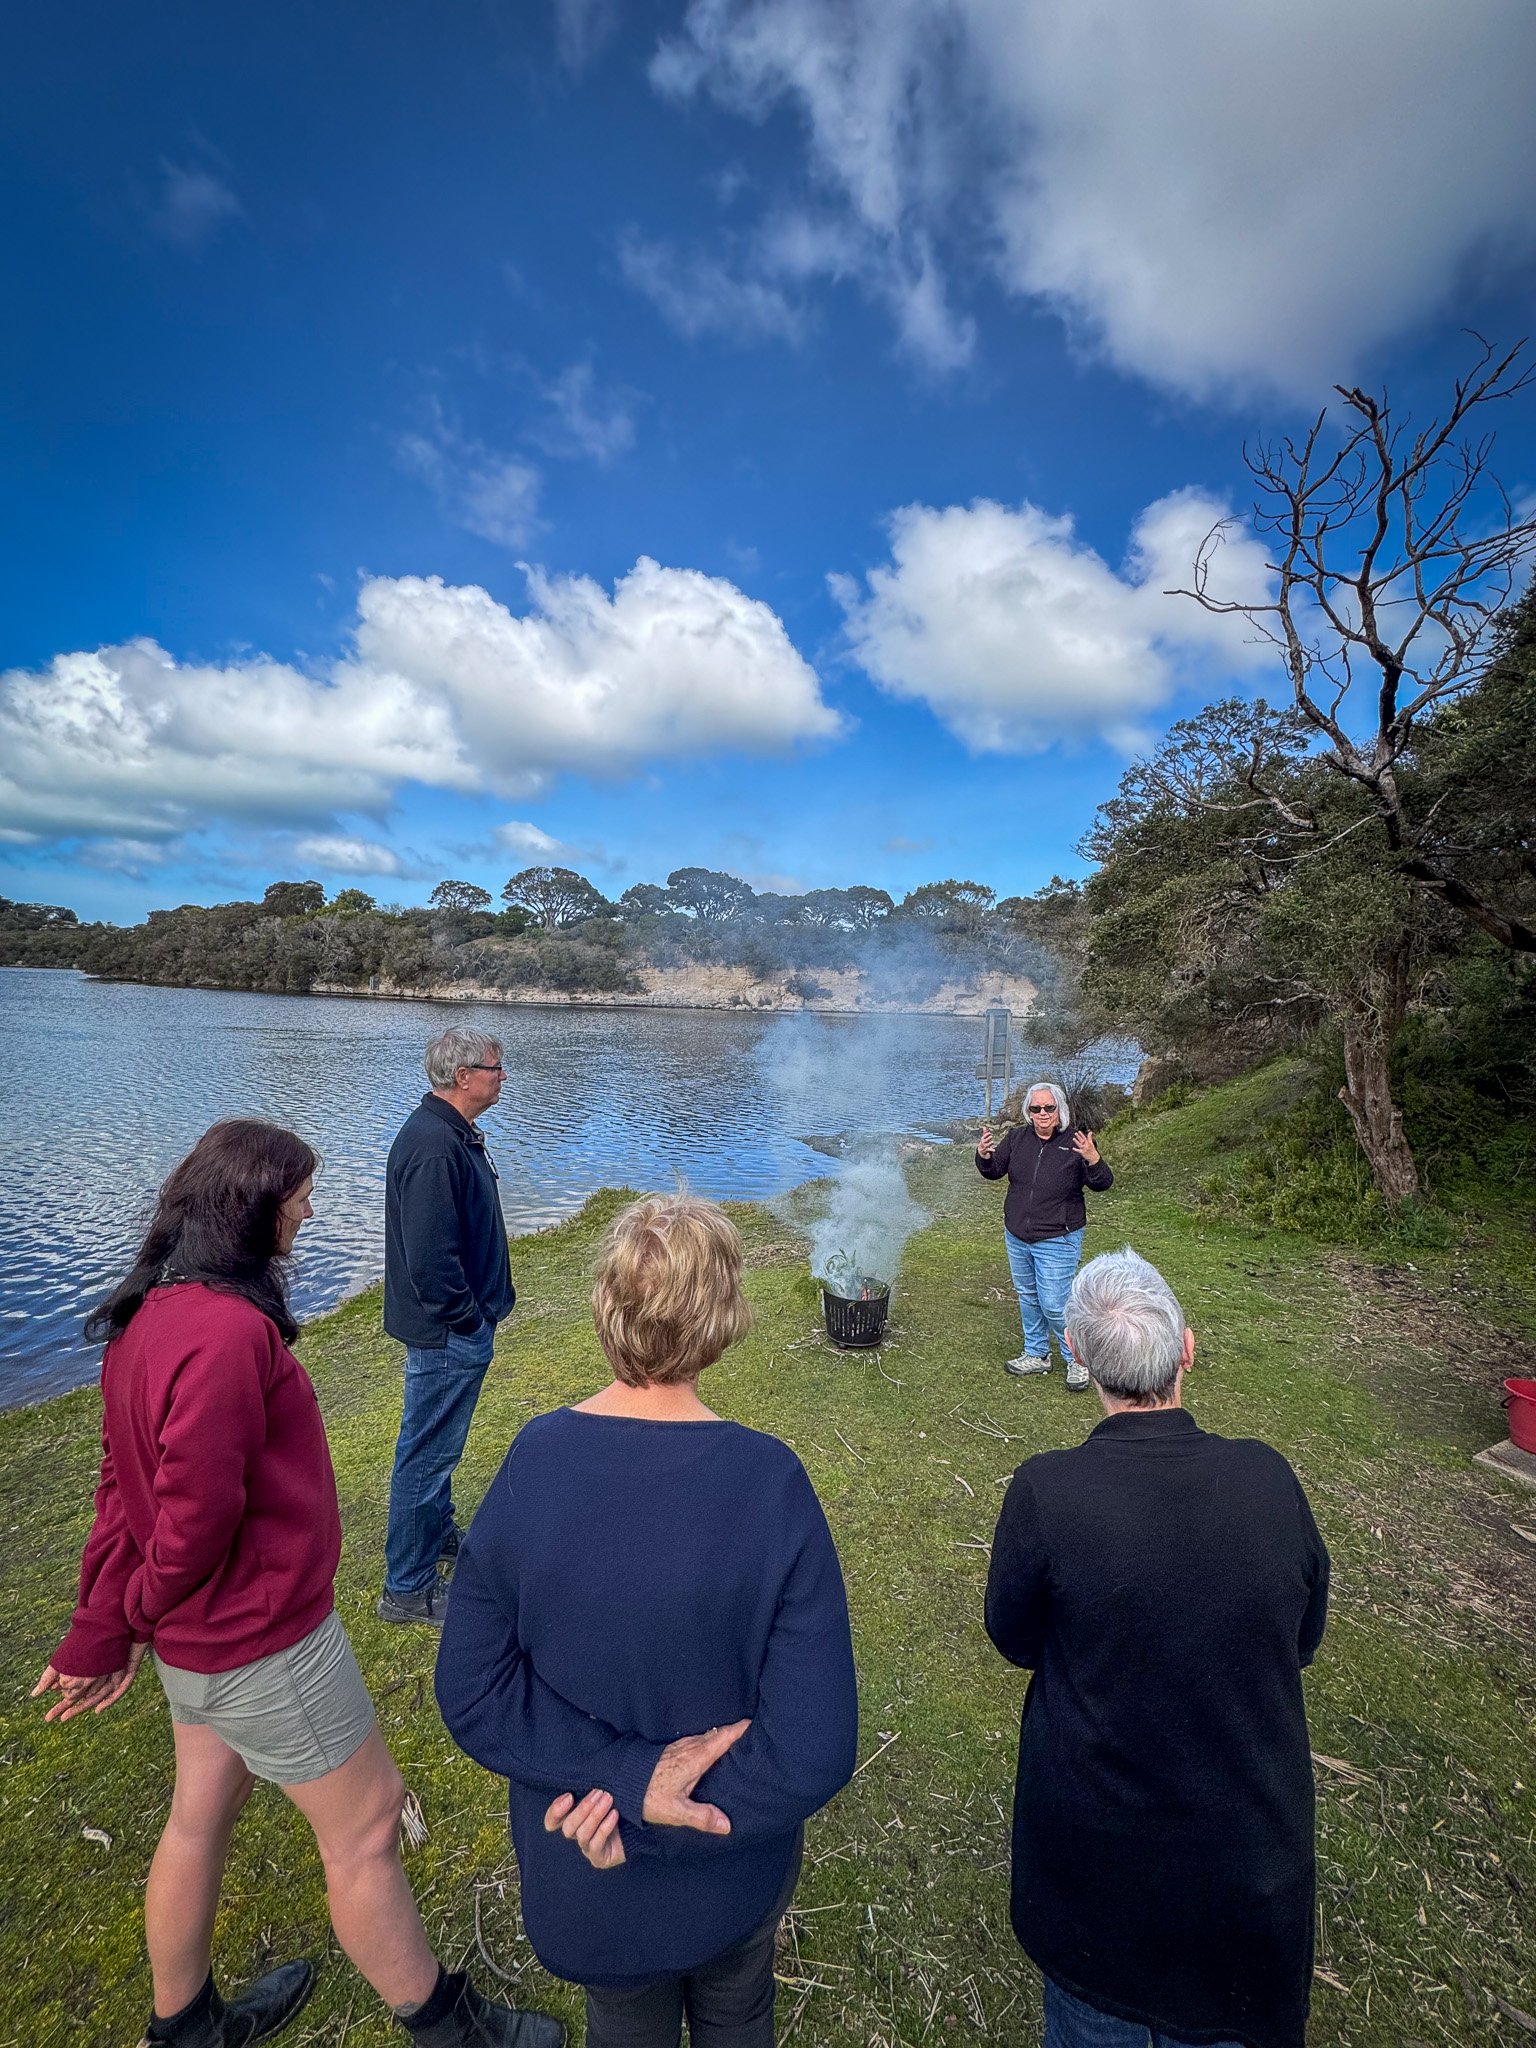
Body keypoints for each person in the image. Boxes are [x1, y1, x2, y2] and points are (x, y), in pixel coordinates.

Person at [31, 1119, 561, 2048]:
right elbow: (190, 1522)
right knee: (366, 1828)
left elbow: (122, 1490)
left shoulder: (146, 1315)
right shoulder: (227, 1336)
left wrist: (107, 1627)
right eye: (300, 1196)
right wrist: (128, 1620)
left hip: (203, 1655)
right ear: (251, 1209)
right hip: (262, 1646)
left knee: (198, 1819)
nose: (311, 1210)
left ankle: (185, 2025)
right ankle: (452, 2028)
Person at [435, 1192, 860, 2048]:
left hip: (588, 1870)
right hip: (731, 1868)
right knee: (740, 2012)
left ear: (605, 1311)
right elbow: (813, 1746)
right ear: (724, 1319)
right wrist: (656, 1797)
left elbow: (474, 1690)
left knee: (624, 2023)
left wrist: (623, 1793)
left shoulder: (534, 1461)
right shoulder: (769, 1483)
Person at [984, 1247, 1330, 2048]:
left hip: (1097, 1903)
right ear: (1188, 1350)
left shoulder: (1047, 1491)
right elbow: (1301, 1640)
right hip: (1252, 1892)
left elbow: (1015, 1636)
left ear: (1075, 1353)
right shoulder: (1270, 1479)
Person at [380, 1026, 517, 1627]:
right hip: (446, 1335)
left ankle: (434, 1536)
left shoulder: (449, 1133)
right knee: (427, 1454)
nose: (502, 1076)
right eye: (495, 1067)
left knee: (438, 1448)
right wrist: (469, 1320)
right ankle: (406, 1590)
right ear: (463, 1077)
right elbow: (432, 1261)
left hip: (454, 1330)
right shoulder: (434, 1145)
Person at [976, 1079, 1112, 1388]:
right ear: (1028, 1111)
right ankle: (1037, 1354)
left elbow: (1103, 1182)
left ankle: (1077, 1359)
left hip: (1058, 1237)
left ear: (1059, 1109)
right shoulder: (1017, 1139)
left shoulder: (1074, 1143)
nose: (1042, 1114)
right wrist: (984, 1155)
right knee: (1028, 1296)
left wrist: (1093, 1159)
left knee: (1054, 1303)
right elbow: (994, 1169)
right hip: (1018, 1235)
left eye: (1048, 1107)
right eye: (1035, 1108)